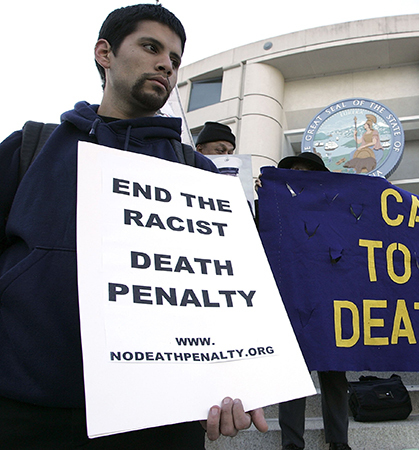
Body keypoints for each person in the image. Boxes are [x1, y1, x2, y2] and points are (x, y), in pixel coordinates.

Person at [0, 4, 267, 448]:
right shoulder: (31, 148)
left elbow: (232, 291)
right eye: (150, 47)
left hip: (160, 416)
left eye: (175, 59)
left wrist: (239, 377)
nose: (166, 63)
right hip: (24, 409)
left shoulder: (200, 174)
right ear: (105, 53)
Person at [257, 152, 352, 450]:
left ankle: (338, 442)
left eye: (306, 170)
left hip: (331, 301)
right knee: (293, 377)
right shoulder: (273, 205)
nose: (299, 174)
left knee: (335, 375)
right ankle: (292, 444)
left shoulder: (335, 206)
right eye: (294, 170)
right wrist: (257, 197)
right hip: (292, 301)